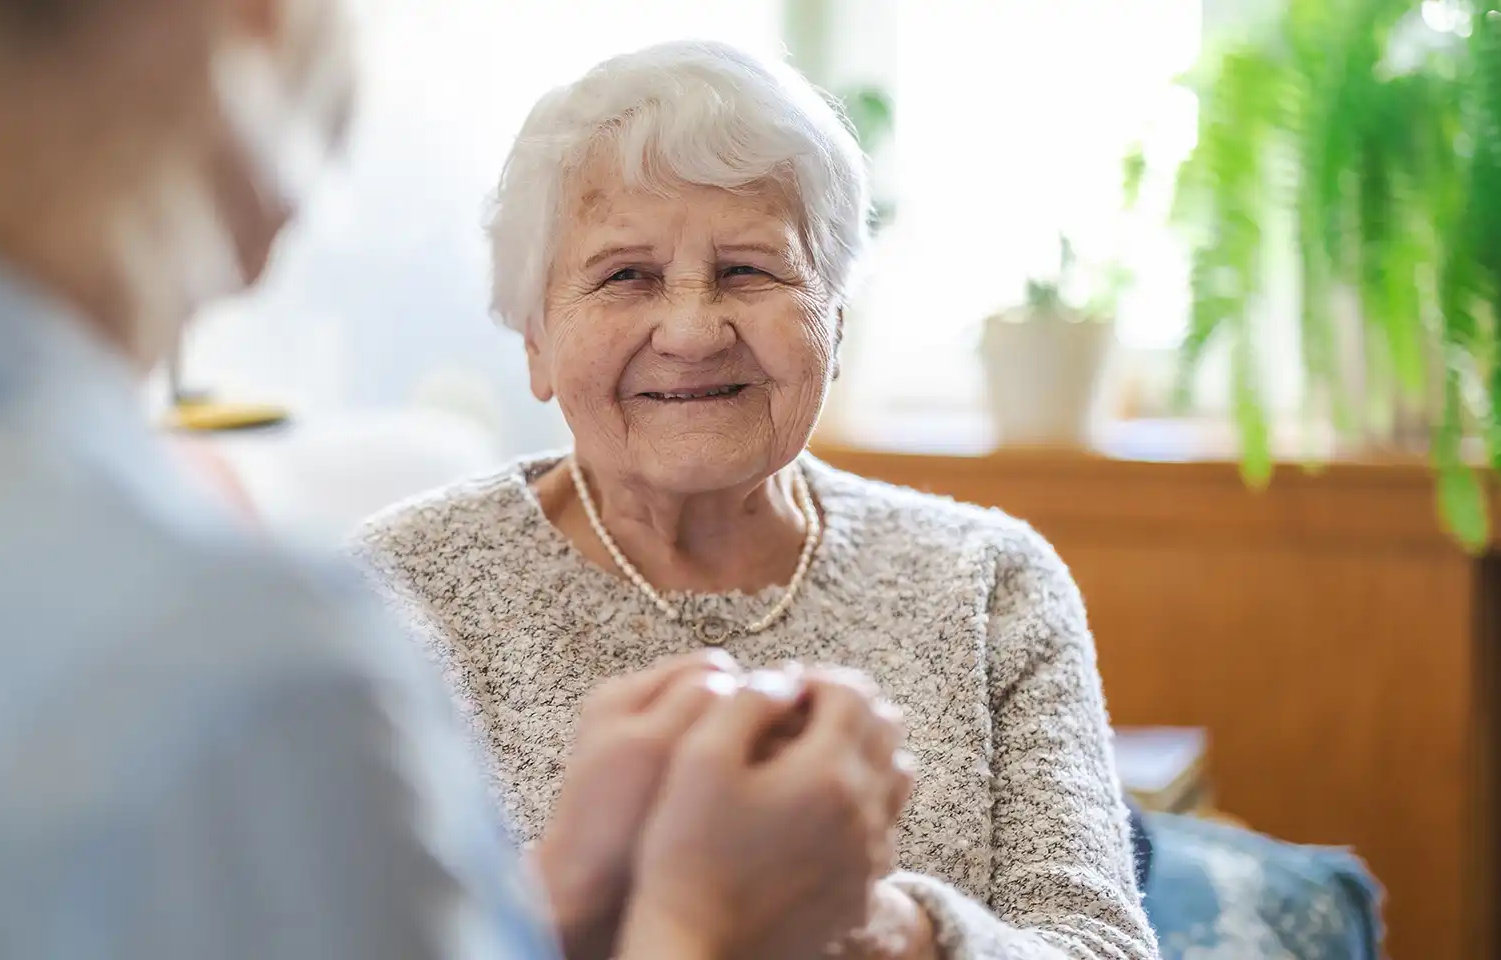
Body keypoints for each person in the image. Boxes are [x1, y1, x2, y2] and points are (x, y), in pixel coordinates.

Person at [0, 3, 912, 958]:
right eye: (625, 275)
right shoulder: (235, 659)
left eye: (748, 271)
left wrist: (559, 915)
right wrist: (709, 922)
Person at [357, 40, 1160, 960]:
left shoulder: (989, 583)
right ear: (536, 341)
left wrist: (880, 927)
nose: (693, 331)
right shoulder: (392, 593)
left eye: (749, 269)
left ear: (837, 321)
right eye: (627, 275)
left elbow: (1103, 947)